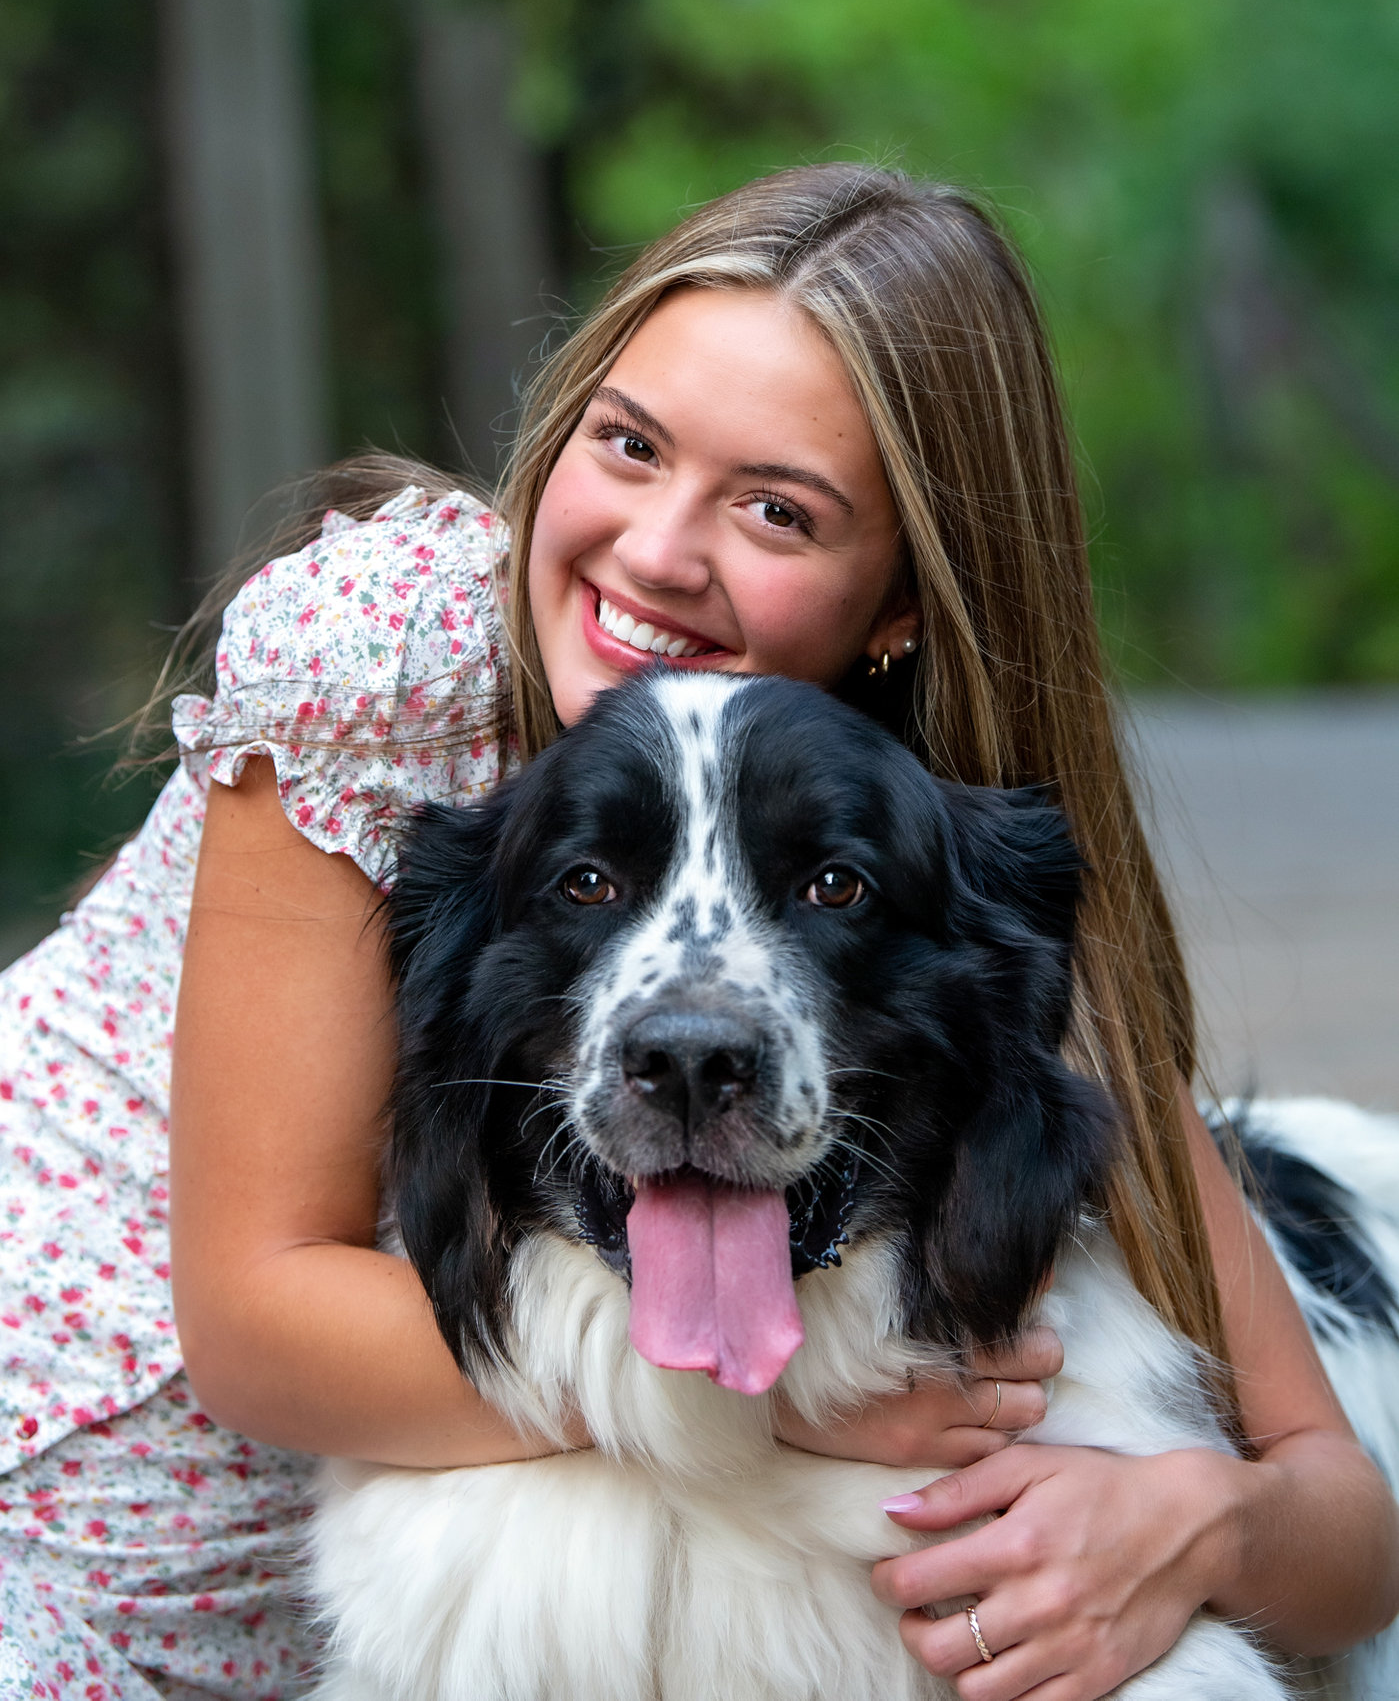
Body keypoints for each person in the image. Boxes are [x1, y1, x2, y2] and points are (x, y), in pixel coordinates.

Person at [0, 163, 1394, 1701]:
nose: (661, 552)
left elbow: (1337, 1515)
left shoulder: (932, 840)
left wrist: (1201, 1518)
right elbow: (255, 1321)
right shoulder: (389, 652)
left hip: (433, 1506)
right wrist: (768, 1408)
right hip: (71, 1496)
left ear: (903, 602)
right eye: (631, 444)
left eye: (778, 508)